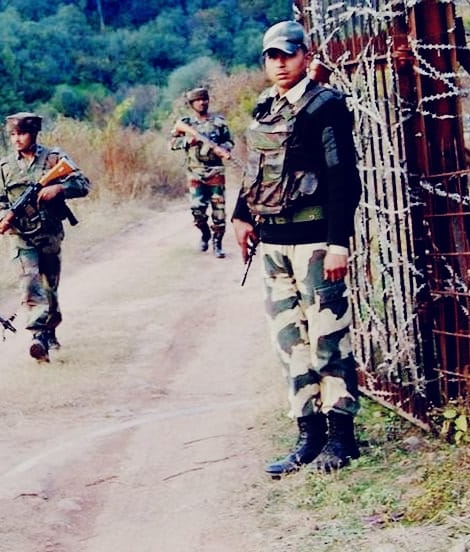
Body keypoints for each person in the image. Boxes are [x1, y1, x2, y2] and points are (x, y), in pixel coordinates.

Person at [230, 21, 363, 476]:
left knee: (328, 337)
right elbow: (257, 169)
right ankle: (309, 436)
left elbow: (343, 178)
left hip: (314, 241)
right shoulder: (266, 105)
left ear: (306, 56)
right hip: (273, 243)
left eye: (288, 54)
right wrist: (242, 215)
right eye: (273, 56)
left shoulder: (325, 106)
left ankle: (342, 437)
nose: (281, 64)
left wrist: (338, 243)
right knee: (290, 342)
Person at [0, 112, 90, 362]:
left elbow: (83, 184)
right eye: (12, 134)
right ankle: (38, 336)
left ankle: (50, 330)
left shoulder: (54, 158)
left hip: (49, 234)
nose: (16, 139)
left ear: (34, 133)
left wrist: (59, 188)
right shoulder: (6, 166)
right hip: (21, 236)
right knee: (29, 284)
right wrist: (3, 216)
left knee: (49, 288)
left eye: (22, 133)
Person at [169, 86, 234, 256]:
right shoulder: (186, 123)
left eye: (204, 99)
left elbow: (229, 142)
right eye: (197, 100)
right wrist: (188, 141)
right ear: (192, 104)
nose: (202, 103)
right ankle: (205, 234)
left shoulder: (219, 122)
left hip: (216, 172)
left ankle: (218, 243)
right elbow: (172, 144)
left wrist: (222, 148)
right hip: (195, 172)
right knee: (197, 210)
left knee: (219, 212)